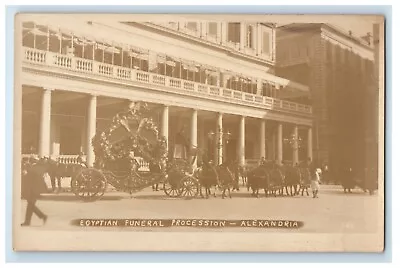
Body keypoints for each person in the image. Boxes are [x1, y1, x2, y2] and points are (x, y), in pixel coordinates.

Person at [21, 157, 49, 226]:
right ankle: (41, 217)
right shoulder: (36, 168)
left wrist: (26, 171)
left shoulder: (34, 168)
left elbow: (30, 178)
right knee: (31, 205)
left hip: (34, 190)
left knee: (30, 205)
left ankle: (29, 221)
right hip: (34, 190)